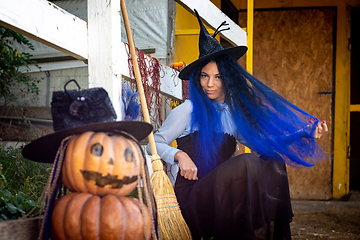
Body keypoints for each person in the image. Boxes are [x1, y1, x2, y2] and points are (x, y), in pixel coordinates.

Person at [147, 10, 328, 240]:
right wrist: (179, 155)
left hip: (223, 200)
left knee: (274, 162)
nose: (209, 84)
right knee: (246, 162)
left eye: (217, 77)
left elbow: (264, 144)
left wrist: (304, 133)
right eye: (204, 76)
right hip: (193, 200)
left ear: (228, 79)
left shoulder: (233, 116)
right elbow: (153, 143)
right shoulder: (187, 110)